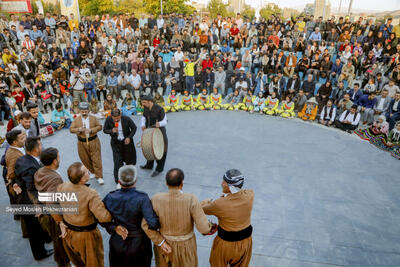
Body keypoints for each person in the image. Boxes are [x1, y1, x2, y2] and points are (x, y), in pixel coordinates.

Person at [142, 168, 215, 267]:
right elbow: (204, 228)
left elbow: (145, 224)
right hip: (186, 246)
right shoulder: (191, 199)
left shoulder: (156, 199)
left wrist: (160, 242)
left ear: (166, 184)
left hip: (165, 246)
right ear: (182, 184)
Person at [55, 162, 112, 267]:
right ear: (82, 179)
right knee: (94, 263)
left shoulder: (62, 186)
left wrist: (60, 222)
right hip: (87, 237)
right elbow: (104, 218)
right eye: (86, 172)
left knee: (78, 263)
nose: (89, 172)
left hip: (68, 233)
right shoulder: (90, 193)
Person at [102, 165, 160, 267]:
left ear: (119, 182)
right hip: (140, 244)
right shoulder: (142, 198)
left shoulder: (110, 197)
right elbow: (153, 223)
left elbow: (99, 217)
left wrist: (114, 227)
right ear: (136, 180)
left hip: (118, 242)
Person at [201, 169, 254, 267]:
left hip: (225, 244)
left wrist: (206, 201)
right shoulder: (250, 195)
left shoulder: (219, 204)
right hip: (246, 243)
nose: (222, 183)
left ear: (230, 187)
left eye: (224, 182)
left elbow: (203, 209)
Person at [13, 136, 54, 261]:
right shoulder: (31, 167)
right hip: (29, 202)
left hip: (25, 199)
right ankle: (39, 254)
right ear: (36, 149)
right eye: (40, 145)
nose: (42, 147)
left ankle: (46, 239)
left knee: (38, 226)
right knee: (34, 230)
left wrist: (16, 183)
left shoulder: (22, 159)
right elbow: (31, 188)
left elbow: (18, 178)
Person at [34, 147, 70, 267]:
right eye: (58, 157)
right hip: (54, 217)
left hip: (46, 213)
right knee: (61, 244)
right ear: (54, 161)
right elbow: (51, 203)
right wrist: (60, 222)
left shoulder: (40, 171)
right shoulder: (55, 178)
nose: (60, 159)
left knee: (57, 242)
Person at [70, 102, 104, 185]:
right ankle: (92, 172)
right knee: (85, 159)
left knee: (96, 159)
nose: (84, 113)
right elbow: (71, 129)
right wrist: (78, 129)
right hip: (81, 142)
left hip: (93, 141)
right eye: (82, 111)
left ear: (88, 110)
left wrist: (91, 130)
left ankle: (99, 176)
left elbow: (100, 127)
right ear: (80, 111)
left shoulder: (94, 118)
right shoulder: (76, 119)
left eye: (85, 111)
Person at [103, 109, 137, 187]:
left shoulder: (126, 119)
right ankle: (118, 181)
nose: (116, 120)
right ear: (111, 116)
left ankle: (131, 179)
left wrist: (129, 137)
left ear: (120, 115)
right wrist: (111, 130)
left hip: (127, 142)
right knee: (117, 162)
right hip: (116, 143)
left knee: (130, 161)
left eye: (118, 118)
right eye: (114, 118)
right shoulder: (108, 119)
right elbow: (104, 130)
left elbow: (134, 128)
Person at [140, 94, 168, 177]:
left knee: (161, 149)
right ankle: (149, 165)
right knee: (149, 147)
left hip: (159, 131)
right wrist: (142, 124)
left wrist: (159, 123)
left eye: (144, 102)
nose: (143, 104)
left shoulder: (159, 109)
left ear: (150, 102)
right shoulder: (146, 108)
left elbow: (165, 121)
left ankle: (159, 168)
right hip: (149, 131)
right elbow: (144, 117)